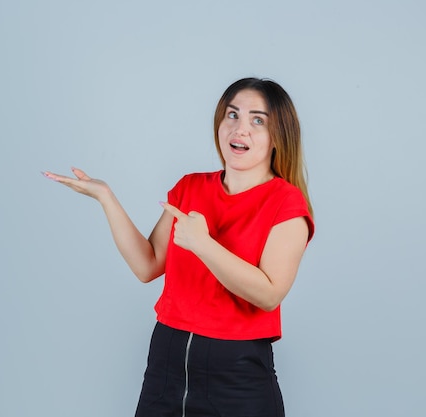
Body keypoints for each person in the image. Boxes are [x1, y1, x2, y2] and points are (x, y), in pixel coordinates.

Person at [43, 77, 314, 417]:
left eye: (257, 120)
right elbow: (148, 265)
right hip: (166, 364)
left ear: (278, 136)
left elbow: (269, 293)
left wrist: (203, 245)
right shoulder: (190, 187)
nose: (240, 129)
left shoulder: (286, 203)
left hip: (238, 376)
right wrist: (106, 198)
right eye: (232, 115)